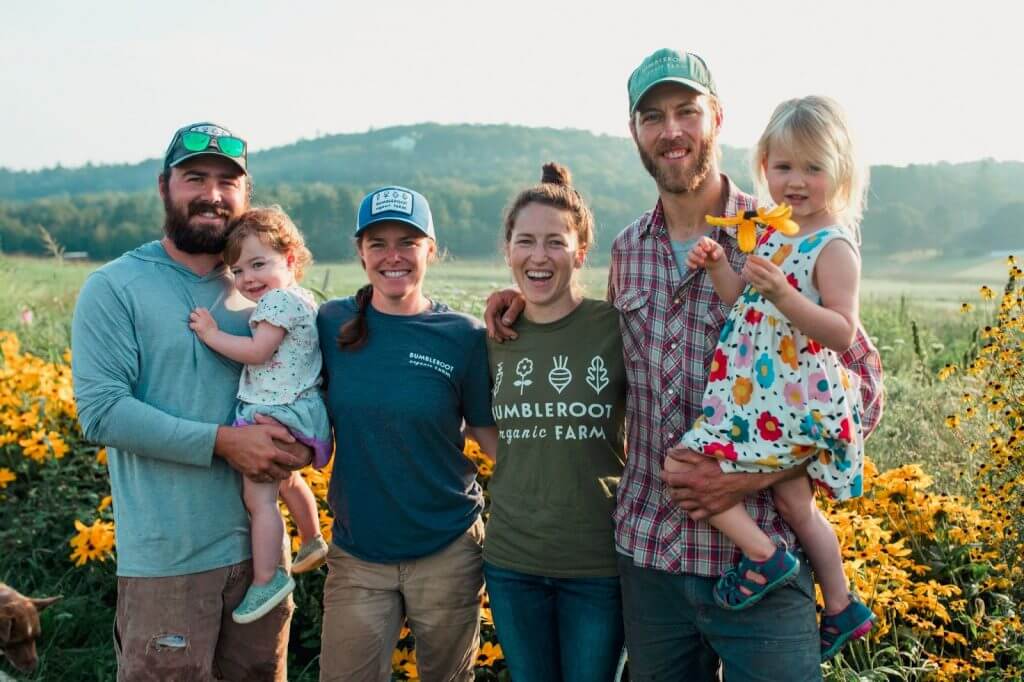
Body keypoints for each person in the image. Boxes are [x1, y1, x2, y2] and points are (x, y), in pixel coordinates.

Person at [486, 50, 883, 680]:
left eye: (686, 112)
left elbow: (861, 391)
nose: (670, 130)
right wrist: (517, 310)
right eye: (653, 117)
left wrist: (755, 476)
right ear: (636, 133)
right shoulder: (627, 250)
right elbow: (601, 361)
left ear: (717, 119)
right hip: (650, 562)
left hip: (760, 557)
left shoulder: (784, 233)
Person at [72, 122, 310, 681]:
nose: (212, 193)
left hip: (261, 565)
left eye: (228, 181)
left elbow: (314, 380)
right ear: (163, 187)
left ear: (245, 196)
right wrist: (226, 444)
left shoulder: (265, 287)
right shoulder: (116, 287)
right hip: (168, 566)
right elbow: (102, 411)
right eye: (195, 178)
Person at [680, 96, 875, 659]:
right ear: (764, 164)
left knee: (689, 470)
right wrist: (721, 265)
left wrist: (786, 293)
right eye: (784, 166)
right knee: (795, 506)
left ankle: (765, 556)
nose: (796, 182)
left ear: (839, 173)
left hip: (791, 398)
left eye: (813, 168)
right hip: (762, 392)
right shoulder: (773, 231)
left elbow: (842, 332)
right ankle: (840, 606)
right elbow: (741, 303)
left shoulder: (832, 244)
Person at [316, 186, 498, 682]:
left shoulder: (462, 336)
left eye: (408, 242)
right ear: (360, 252)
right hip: (359, 554)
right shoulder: (331, 323)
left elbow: (487, 435)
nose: (392, 256)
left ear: (431, 250)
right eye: (378, 243)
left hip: (448, 550)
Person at [484, 162, 627, 681]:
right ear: (508, 250)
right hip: (512, 561)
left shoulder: (614, 328)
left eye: (555, 243)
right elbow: (478, 426)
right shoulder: (494, 335)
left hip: (597, 563)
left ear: (580, 253)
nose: (538, 256)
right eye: (525, 241)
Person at [188, 206, 332, 624]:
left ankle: (267, 578)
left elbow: (257, 352)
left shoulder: (276, 303)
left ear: (289, 259)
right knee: (286, 478)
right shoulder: (301, 299)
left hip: (277, 410)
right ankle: (312, 539)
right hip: (299, 410)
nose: (248, 278)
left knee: (259, 498)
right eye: (237, 270)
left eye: (258, 264)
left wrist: (212, 334)